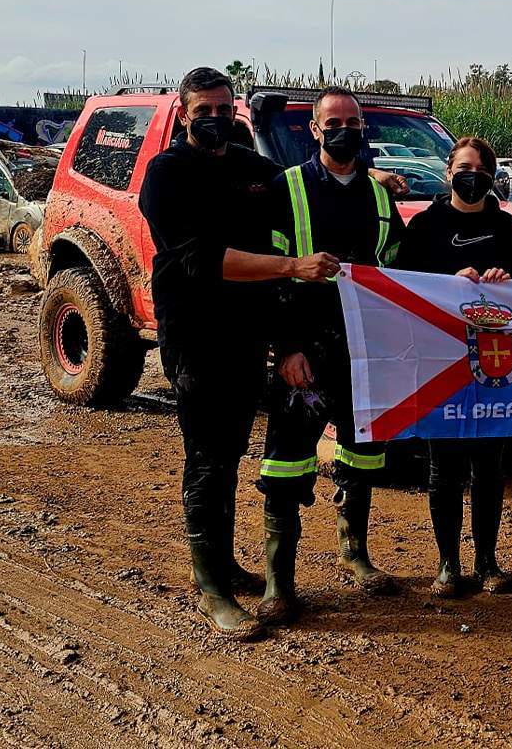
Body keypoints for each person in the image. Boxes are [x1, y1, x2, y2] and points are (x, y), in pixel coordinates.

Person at [138, 66, 339, 641]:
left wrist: (373, 179)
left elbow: (304, 183)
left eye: (224, 109)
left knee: (230, 449)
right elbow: (201, 259)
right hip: (197, 336)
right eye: (203, 110)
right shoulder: (167, 174)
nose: (215, 119)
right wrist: (292, 267)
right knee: (209, 455)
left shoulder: (253, 169)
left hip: (249, 335)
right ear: (184, 114)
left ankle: (222, 566)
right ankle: (213, 589)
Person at [257, 86, 409, 624]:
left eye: (353, 122)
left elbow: (399, 272)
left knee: (362, 451)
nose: (344, 130)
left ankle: (354, 553)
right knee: (286, 460)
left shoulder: (380, 197)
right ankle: (279, 583)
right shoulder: (288, 188)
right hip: (305, 348)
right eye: (334, 122)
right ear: (315, 130)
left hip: (363, 350)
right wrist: (286, 348)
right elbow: (270, 276)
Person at [396, 136, 512, 598]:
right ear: (448, 172)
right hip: (441, 364)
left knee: (489, 467)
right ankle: (448, 563)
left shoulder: (507, 228)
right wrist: (447, 284)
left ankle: (487, 561)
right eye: (463, 168)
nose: (471, 177)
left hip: (495, 365)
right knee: (444, 468)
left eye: (481, 170)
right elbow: (406, 288)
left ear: (491, 177)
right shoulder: (425, 226)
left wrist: (507, 280)